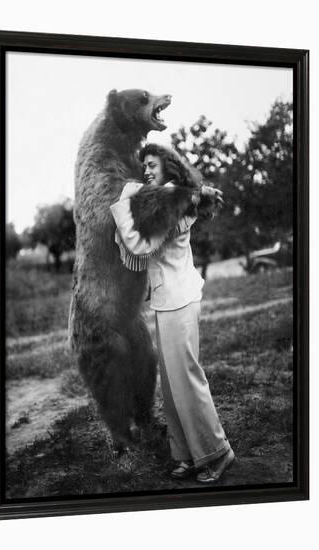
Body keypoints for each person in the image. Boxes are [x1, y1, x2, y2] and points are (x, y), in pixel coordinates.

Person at [109, 143, 235, 483]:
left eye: (152, 164)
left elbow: (139, 245)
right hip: (168, 300)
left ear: (169, 167)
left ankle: (218, 452)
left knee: (187, 380)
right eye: (144, 166)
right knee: (172, 384)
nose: (146, 170)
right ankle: (187, 454)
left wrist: (121, 204)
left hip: (179, 299)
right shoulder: (166, 199)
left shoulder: (172, 201)